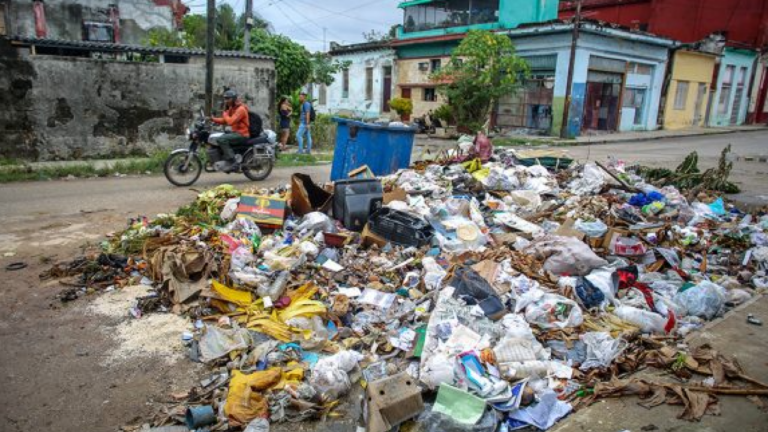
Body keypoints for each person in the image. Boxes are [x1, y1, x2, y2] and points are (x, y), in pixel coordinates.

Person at [211, 89, 249, 169]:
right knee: (218, 136)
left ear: (234, 99)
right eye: (225, 98)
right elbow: (225, 120)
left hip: (242, 134)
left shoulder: (241, 109)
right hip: (236, 132)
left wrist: (224, 113)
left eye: (228, 98)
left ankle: (233, 161)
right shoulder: (233, 108)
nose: (226, 101)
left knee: (221, 139)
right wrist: (213, 119)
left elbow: (230, 122)